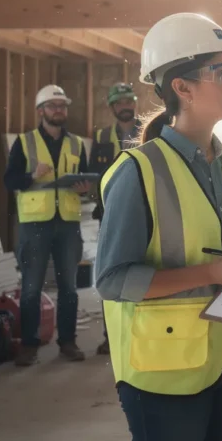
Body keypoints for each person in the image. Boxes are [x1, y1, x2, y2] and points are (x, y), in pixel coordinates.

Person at [94, 12, 222, 441]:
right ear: (182, 88)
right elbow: (112, 281)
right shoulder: (137, 172)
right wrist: (210, 275)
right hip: (165, 371)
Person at [3, 84, 93, 366]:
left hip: (67, 223)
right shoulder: (24, 142)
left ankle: (68, 342)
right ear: (41, 111)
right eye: (53, 106)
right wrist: (32, 175)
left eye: (62, 106)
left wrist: (84, 190)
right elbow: (10, 181)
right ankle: (29, 345)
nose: (59, 111)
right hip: (35, 224)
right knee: (31, 288)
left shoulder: (77, 144)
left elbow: (86, 185)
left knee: (69, 287)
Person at [90, 82, 141, 356]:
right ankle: (111, 336)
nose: (125, 106)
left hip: (144, 211)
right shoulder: (100, 137)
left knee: (140, 273)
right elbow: (93, 173)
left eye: (129, 101)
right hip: (109, 214)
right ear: (112, 107)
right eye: (120, 102)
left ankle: (137, 333)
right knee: (110, 275)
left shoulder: (151, 130)